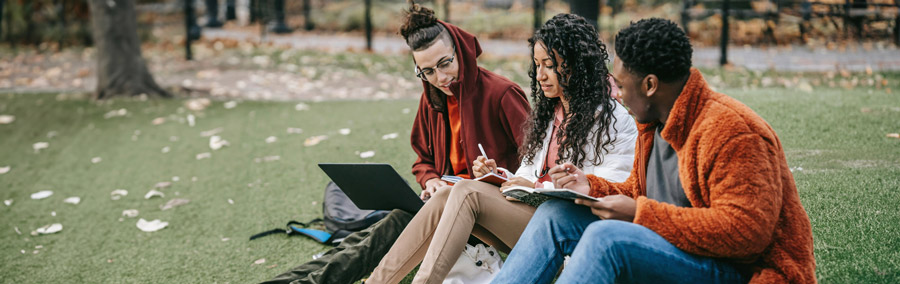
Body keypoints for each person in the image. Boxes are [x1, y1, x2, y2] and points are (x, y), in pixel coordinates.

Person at [491, 18, 816, 284]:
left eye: (621, 83)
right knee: (556, 215)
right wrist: (590, 186)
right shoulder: (654, 123)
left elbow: (747, 233)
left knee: (608, 240)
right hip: (678, 249)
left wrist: (639, 215)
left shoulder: (732, 132)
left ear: (649, 85)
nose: (615, 92)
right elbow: (639, 191)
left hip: (738, 270)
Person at [262, 4, 531, 284]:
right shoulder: (432, 100)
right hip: (441, 205)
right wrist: (431, 182)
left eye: (445, 63)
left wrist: (494, 175)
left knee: (393, 225)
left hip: (488, 217)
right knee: (365, 237)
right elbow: (423, 161)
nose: (440, 78)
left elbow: (535, 167)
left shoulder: (502, 94)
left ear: (459, 51)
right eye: (427, 71)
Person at [367, 13, 638, 284]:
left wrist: (540, 188)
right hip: (533, 215)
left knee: (464, 192)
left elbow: (615, 187)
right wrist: (501, 176)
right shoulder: (550, 112)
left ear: (576, 65)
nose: (540, 75)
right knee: (445, 195)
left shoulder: (615, 120)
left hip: (569, 226)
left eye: (550, 65)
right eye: (537, 64)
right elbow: (530, 171)